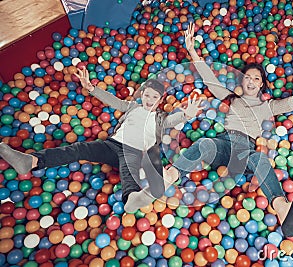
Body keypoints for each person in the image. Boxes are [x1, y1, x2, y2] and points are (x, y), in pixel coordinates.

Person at [165, 22, 293, 237]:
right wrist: (192, 50)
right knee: (205, 143)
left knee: (260, 160)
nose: (251, 80)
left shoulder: (267, 106)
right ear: (242, 80)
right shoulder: (230, 98)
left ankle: (282, 209)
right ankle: (168, 176)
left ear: (262, 85)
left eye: (256, 78)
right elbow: (209, 79)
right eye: (248, 77)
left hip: (245, 152)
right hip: (223, 146)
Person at [0, 66, 204, 213]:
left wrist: (188, 114)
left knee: (128, 169)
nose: (149, 101)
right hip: (111, 145)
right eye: (147, 96)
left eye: (154, 98)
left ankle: (133, 199)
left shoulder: (161, 118)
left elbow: (174, 119)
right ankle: (32, 161)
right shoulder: (133, 107)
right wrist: (91, 88)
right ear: (142, 95)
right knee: (79, 148)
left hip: (133, 152)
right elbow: (114, 101)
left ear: (160, 100)